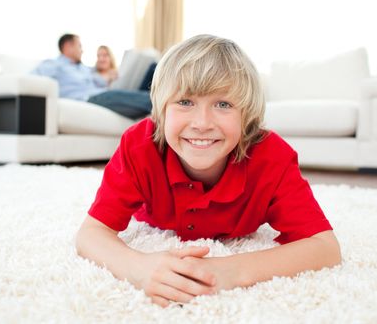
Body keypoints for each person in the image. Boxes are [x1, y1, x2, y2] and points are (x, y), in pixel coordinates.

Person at [75, 34, 341, 307]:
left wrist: (229, 271)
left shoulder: (272, 157)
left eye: (223, 104)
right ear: (162, 110)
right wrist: (138, 267)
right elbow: (90, 233)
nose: (202, 123)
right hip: (153, 220)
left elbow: (325, 247)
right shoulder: (138, 145)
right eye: (185, 102)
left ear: (246, 116)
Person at [32, 34, 152, 119]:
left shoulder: (83, 68)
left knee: (152, 67)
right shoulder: (54, 64)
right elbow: (30, 79)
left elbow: (98, 80)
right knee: (151, 99)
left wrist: (109, 76)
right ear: (68, 46)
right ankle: (164, 102)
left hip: (102, 93)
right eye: (79, 46)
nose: (82, 50)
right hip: (91, 99)